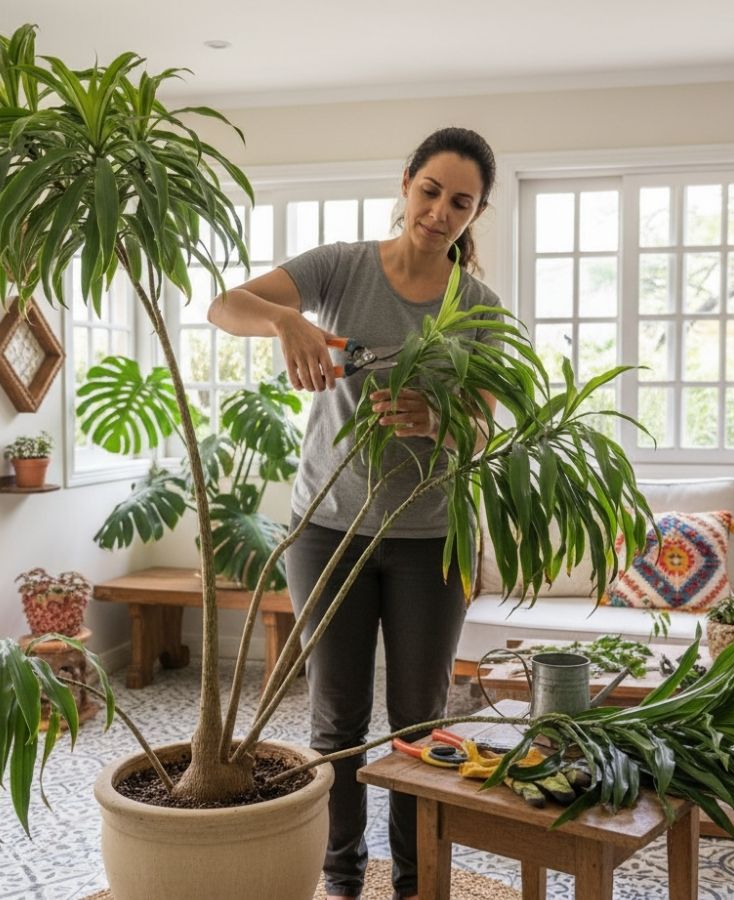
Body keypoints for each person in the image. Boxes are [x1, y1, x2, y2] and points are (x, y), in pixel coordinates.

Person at [207, 126, 500, 900]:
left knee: (415, 724)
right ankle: (341, 880)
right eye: (430, 190)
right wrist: (284, 319)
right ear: (406, 183)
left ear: (476, 215)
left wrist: (439, 421)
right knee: (335, 721)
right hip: (326, 532)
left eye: (460, 202)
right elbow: (222, 305)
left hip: (431, 537)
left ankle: (413, 882)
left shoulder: (477, 304)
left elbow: (490, 417)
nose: (439, 211)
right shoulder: (338, 267)